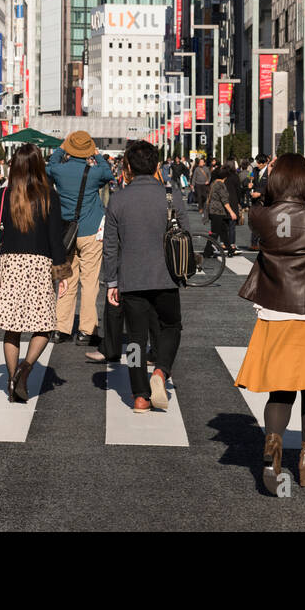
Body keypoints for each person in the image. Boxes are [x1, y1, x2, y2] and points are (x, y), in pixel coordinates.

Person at [235, 153, 305, 493]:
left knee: (280, 389)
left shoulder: (261, 219)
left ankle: (271, 454)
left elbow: (258, 208)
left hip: (277, 311)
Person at [101, 141, 189, 413]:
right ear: (156, 166)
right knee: (171, 327)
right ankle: (161, 371)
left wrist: (111, 282)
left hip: (131, 278)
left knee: (136, 339)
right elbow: (184, 232)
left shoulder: (119, 198)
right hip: (166, 276)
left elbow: (110, 246)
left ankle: (139, 395)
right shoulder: (170, 195)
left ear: (127, 167)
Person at [0, 144, 70, 403]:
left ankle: (11, 378)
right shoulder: (48, 195)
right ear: (39, 165)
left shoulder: (7, 193)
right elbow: (56, 238)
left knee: (11, 326)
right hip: (39, 264)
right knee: (43, 323)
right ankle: (26, 368)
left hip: (11, 263)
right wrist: (61, 274)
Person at [47, 132, 114, 342]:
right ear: (88, 150)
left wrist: (62, 148)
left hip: (65, 231)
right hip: (91, 229)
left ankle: (61, 328)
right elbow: (108, 173)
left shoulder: (58, 170)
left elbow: (50, 163)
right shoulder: (94, 173)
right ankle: (86, 329)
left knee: (66, 279)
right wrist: (97, 154)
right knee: (90, 281)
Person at [206, 166, 237, 257]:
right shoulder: (220, 185)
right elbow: (224, 200)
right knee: (215, 233)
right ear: (225, 177)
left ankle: (229, 249)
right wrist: (231, 212)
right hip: (218, 211)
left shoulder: (214, 183)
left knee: (223, 232)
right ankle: (207, 252)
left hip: (213, 210)